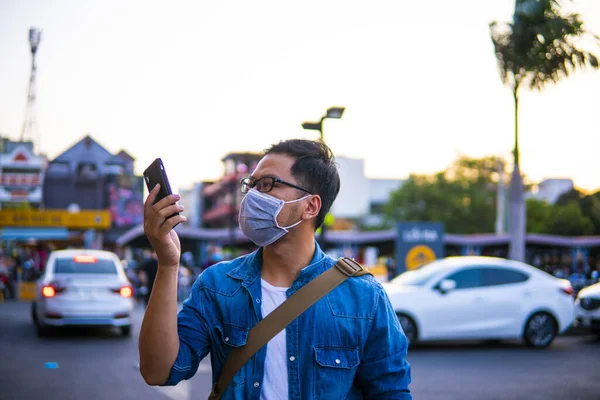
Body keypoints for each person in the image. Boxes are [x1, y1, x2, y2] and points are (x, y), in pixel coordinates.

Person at [139, 139, 412, 399]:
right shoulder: (217, 284)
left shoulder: (363, 295)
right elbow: (158, 371)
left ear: (310, 206)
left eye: (268, 184)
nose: (253, 195)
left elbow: (390, 391)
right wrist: (167, 263)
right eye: (252, 185)